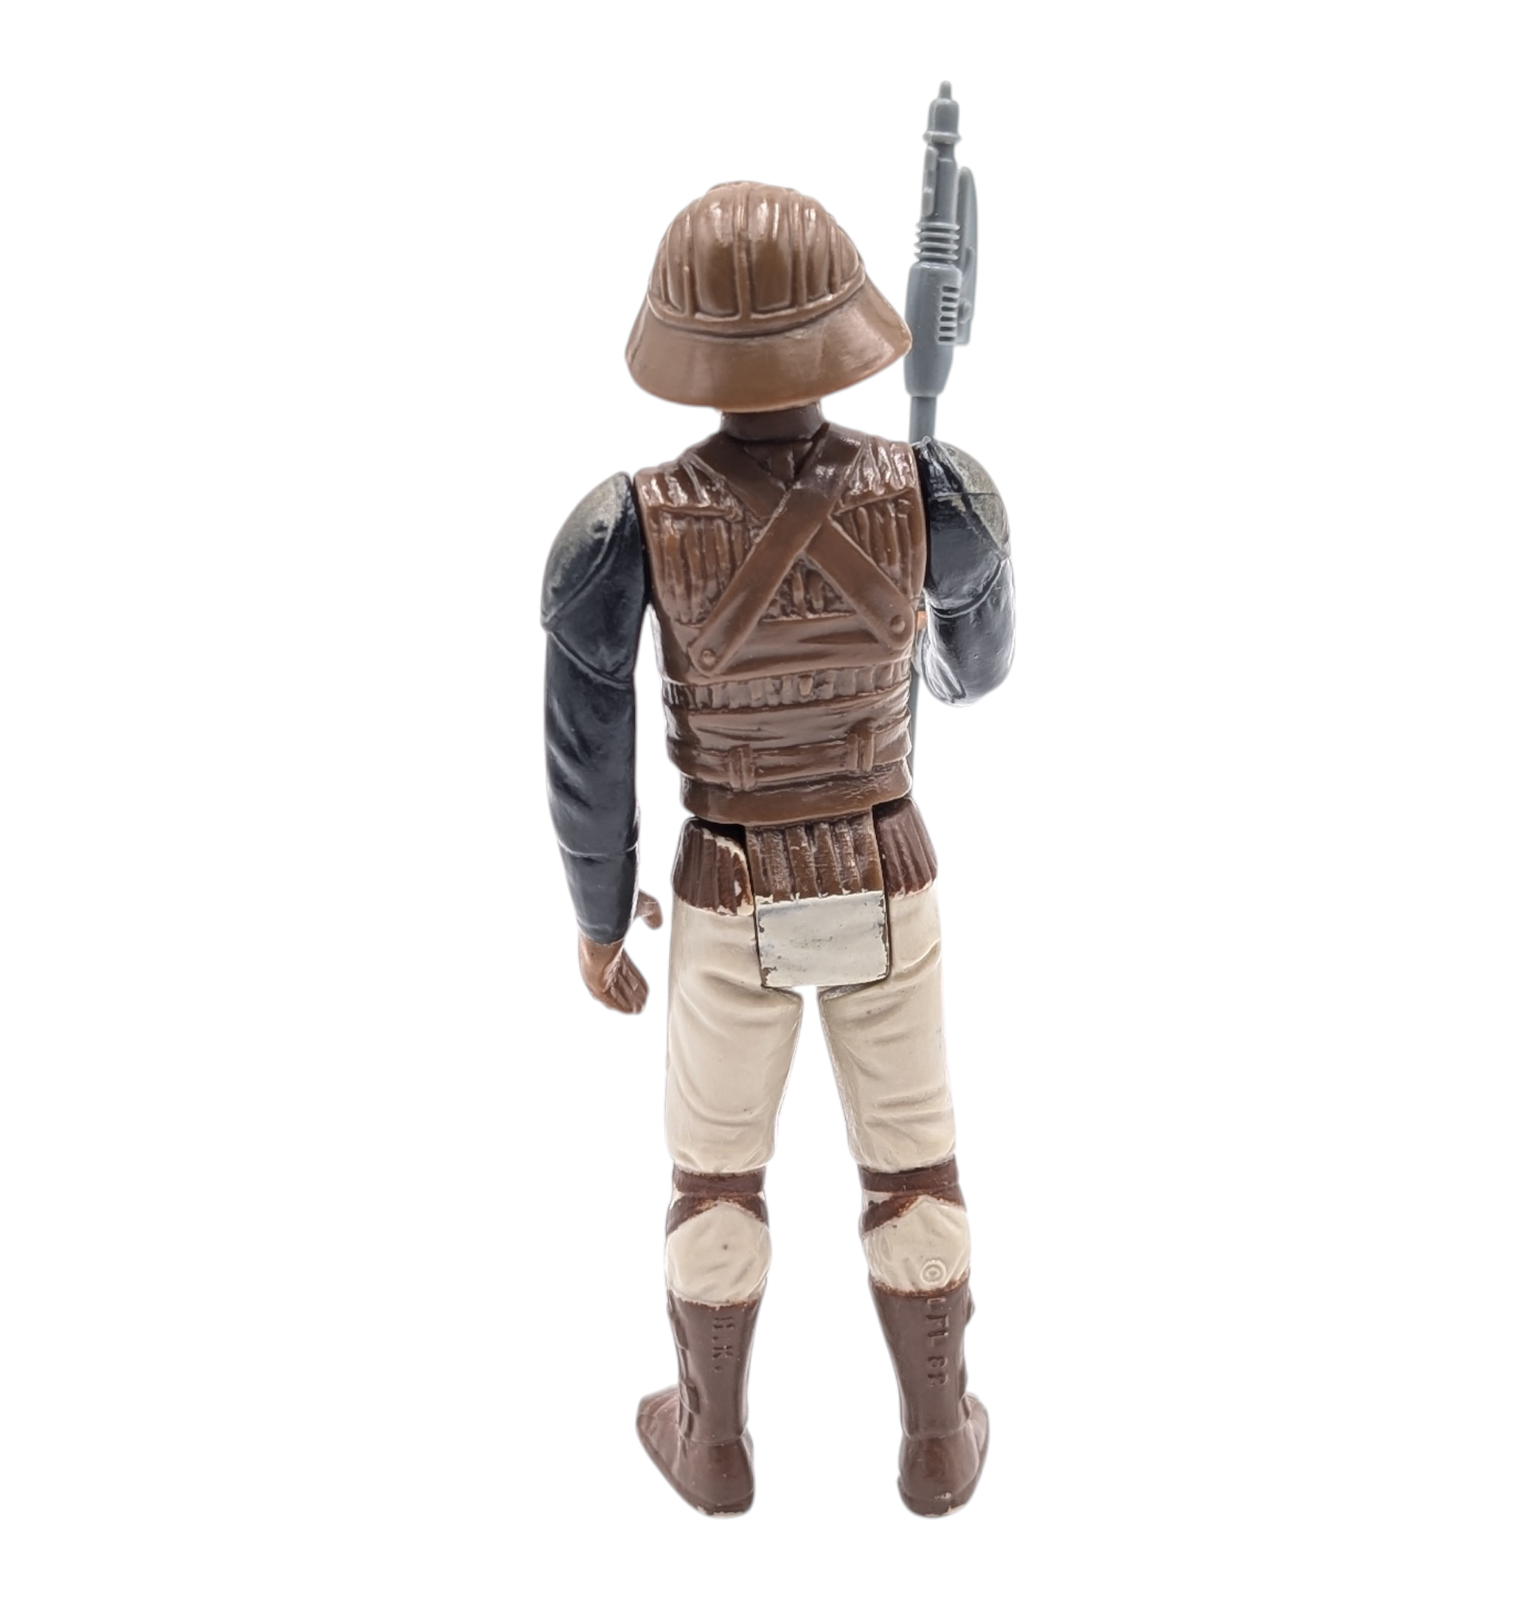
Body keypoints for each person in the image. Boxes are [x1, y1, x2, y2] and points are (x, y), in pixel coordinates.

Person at [541, 181, 1015, 1516]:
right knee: (911, 1164)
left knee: (716, 1176)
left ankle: (713, 1441)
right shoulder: (938, 493)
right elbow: (976, 674)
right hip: (883, 873)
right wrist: (918, 605)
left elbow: (589, 755)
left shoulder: (621, 526)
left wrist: (598, 918)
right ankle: (937, 1438)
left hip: (728, 885)